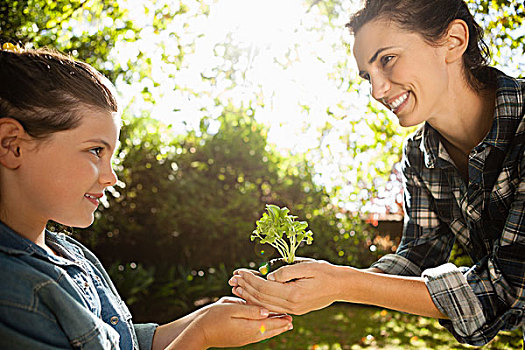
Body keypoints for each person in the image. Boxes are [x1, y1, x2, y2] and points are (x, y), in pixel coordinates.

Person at [229, 0, 525, 347]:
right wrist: (321, 285)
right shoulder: (420, 156)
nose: (377, 91)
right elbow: (418, 256)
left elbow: (506, 288)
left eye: (387, 60)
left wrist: (344, 283)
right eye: (368, 75)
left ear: (453, 41)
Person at [0, 42, 293, 350]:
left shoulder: (71, 254)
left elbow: (124, 342)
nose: (110, 176)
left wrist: (202, 318)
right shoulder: (13, 290)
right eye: (95, 151)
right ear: (12, 145)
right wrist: (202, 336)